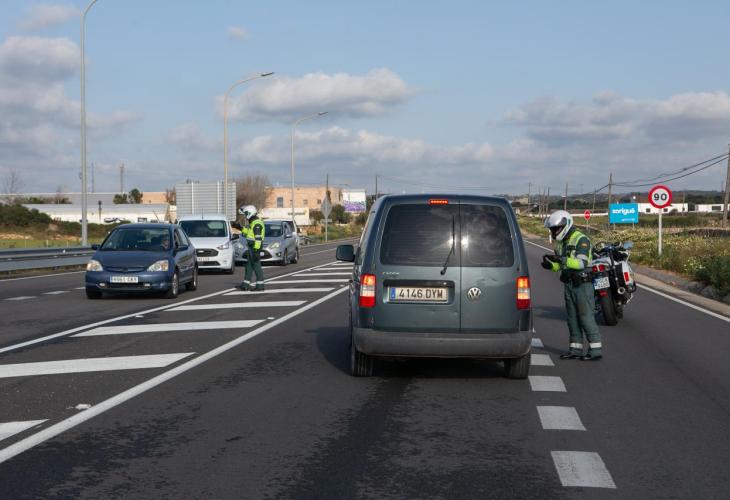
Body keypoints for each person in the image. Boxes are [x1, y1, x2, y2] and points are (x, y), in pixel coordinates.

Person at [541, 210, 603, 361]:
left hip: (582, 285)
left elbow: (582, 263)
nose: (554, 232)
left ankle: (595, 350)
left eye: (556, 229)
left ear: (566, 225)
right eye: (552, 229)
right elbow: (562, 266)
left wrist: (562, 260)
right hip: (569, 284)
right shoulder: (562, 242)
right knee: (572, 319)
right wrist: (551, 265)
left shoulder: (581, 239)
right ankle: (575, 349)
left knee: (585, 317)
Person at [235, 205, 266, 291]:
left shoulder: (257, 223)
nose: (245, 216)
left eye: (246, 214)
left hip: (255, 246)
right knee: (248, 265)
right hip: (252, 246)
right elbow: (249, 233)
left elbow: (258, 238)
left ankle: (260, 286)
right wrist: (240, 228)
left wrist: (256, 250)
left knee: (256, 265)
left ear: (250, 213)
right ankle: (246, 284)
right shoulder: (253, 223)